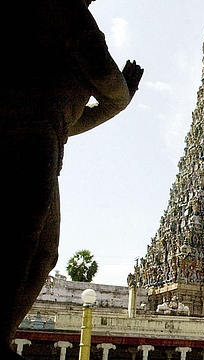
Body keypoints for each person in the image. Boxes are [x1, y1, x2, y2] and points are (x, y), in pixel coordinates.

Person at [0, 1, 143, 358]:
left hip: (48, 135)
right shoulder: (65, 10)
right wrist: (123, 94)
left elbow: (73, 122)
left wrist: (116, 99)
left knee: (40, 253)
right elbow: (111, 85)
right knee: (23, 243)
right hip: (29, 135)